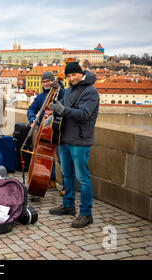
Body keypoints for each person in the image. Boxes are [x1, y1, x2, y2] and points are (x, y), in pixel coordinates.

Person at [48, 61, 99, 229]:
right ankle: (68, 205)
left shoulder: (91, 92)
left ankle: (86, 213)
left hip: (80, 140)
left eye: (73, 75)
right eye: (68, 76)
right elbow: (60, 108)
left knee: (82, 178)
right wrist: (53, 111)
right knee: (66, 174)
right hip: (65, 138)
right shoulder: (69, 90)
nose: (70, 78)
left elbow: (84, 114)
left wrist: (62, 109)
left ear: (80, 73)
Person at [27, 71, 65, 191]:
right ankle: (51, 180)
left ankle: (66, 185)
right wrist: (32, 119)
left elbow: (66, 104)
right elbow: (31, 109)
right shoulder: (40, 96)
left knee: (61, 159)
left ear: (53, 81)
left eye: (48, 81)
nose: (45, 83)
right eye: (43, 81)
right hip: (44, 129)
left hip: (58, 130)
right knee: (47, 158)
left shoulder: (61, 93)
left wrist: (59, 88)